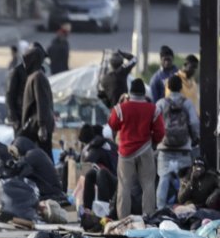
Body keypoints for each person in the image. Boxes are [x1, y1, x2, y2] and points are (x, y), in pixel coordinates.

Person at [108, 78, 165, 218]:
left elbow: (112, 124)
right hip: (145, 149)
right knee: (148, 184)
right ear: (143, 92)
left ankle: (123, 218)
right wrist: (154, 143)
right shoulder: (153, 108)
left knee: (124, 185)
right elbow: (160, 131)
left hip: (125, 152)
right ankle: (149, 216)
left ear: (130, 92)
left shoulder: (121, 108)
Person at [156, 74, 200, 209]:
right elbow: (193, 123)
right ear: (181, 88)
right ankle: (184, 209)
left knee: (164, 179)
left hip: (165, 148)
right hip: (183, 149)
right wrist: (194, 139)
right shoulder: (187, 103)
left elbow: (154, 123)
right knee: (185, 182)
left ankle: (161, 209)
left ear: (168, 87)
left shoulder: (161, 103)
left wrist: (156, 141)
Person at [20, 44, 55, 157]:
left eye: (27, 60)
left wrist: (42, 126)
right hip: (33, 125)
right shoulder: (34, 76)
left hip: (36, 126)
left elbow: (42, 102)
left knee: (44, 156)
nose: (25, 64)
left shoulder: (38, 77)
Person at [10, 136, 68, 203]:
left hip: (51, 193)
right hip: (53, 191)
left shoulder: (32, 154)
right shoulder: (37, 152)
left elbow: (16, 169)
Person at [78, 124, 118, 215]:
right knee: (90, 174)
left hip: (119, 184)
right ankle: (87, 210)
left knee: (101, 173)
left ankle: (103, 211)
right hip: (113, 180)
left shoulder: (96, 147)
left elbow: (85, 163)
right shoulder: (107, 144)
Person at [5, 42, 43, 136]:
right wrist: (14, 117)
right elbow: (10, 95)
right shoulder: (18, 71)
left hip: (36, 118)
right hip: (21, 116)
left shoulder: (40, 71)